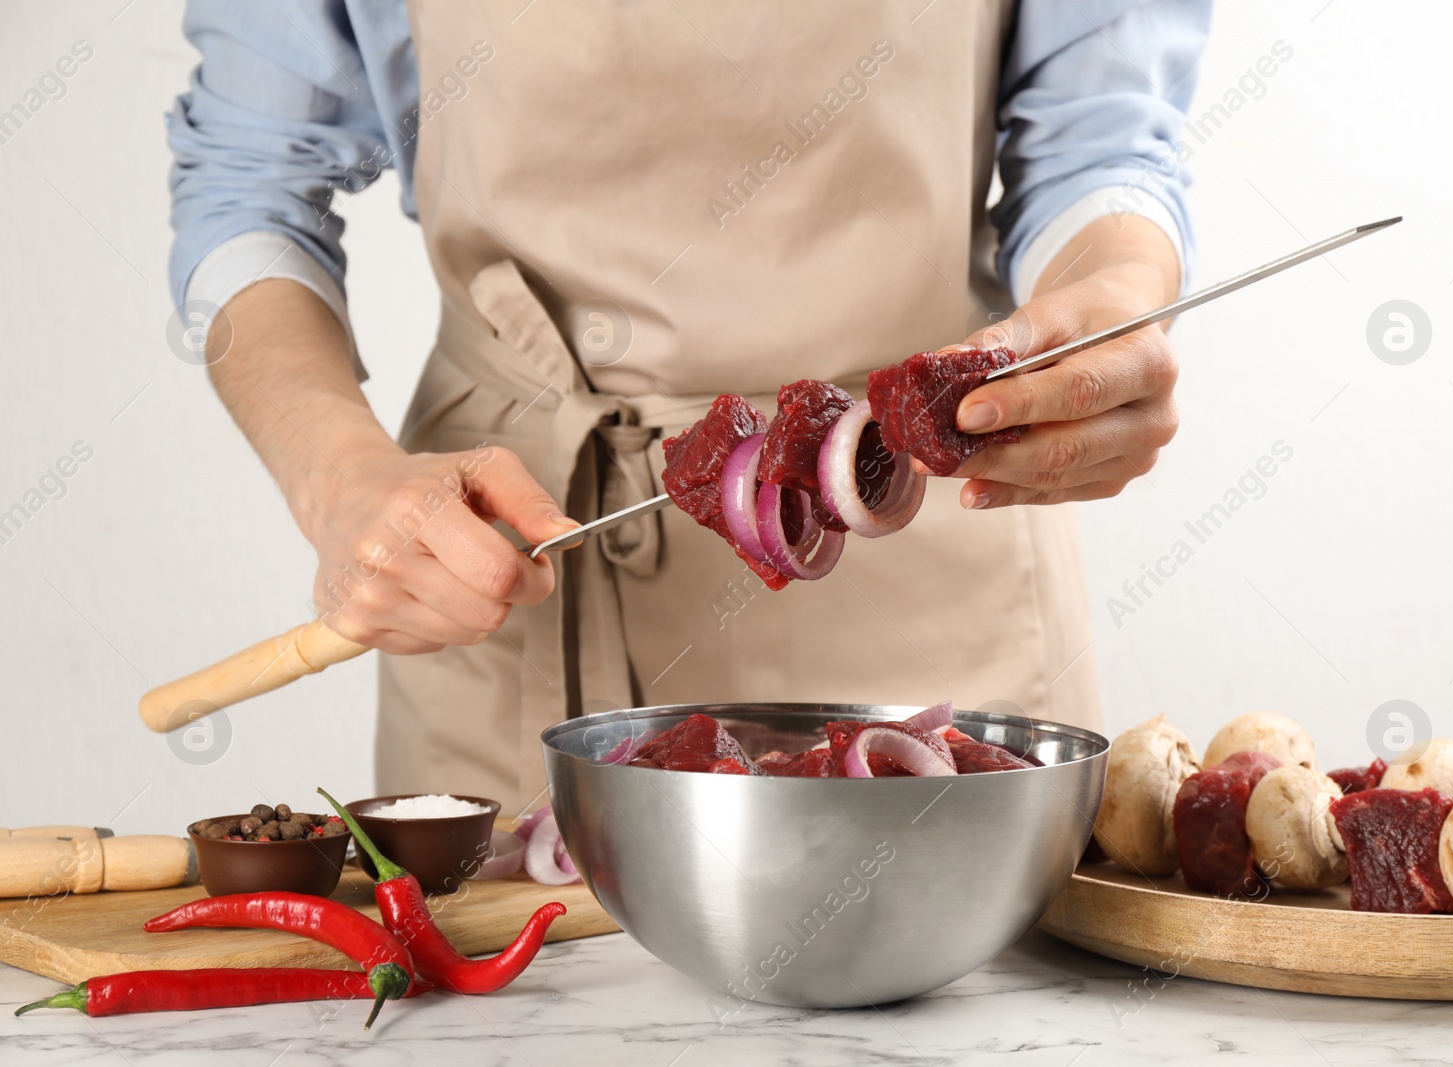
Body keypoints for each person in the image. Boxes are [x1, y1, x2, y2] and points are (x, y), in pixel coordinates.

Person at [168, 0, 1210, 809]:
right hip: (502, 564)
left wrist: (1113, 294)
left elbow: (1097, 148)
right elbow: (250, 180)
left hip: (928, 567)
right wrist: (336, 475)